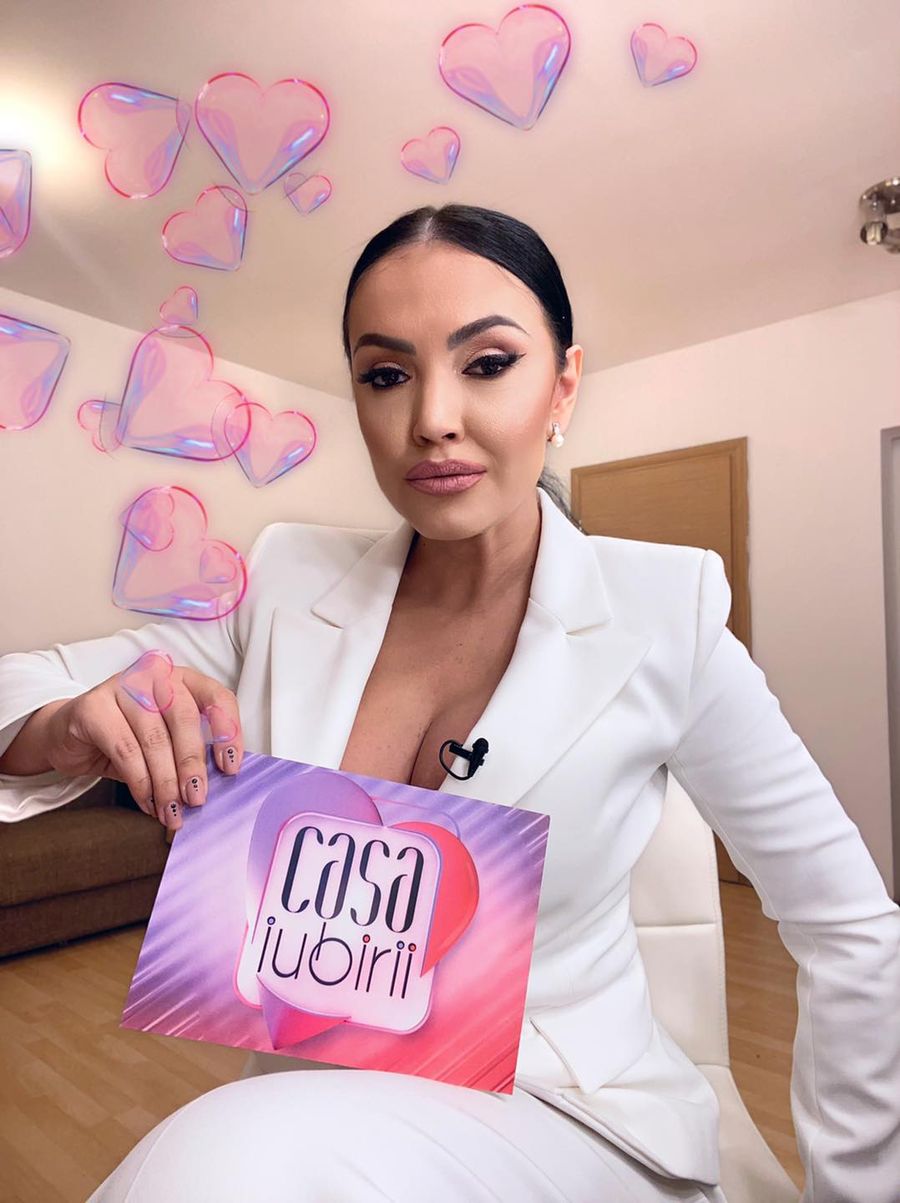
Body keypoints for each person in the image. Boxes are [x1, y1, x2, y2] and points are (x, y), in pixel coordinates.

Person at [1, 203, 897, 1203]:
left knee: (220, 1162)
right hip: (315, 1104)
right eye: (386, 375)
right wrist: (65, 723)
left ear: (563, 386)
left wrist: (858, 1193)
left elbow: (852, 927)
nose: (432, 416)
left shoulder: (665, 613)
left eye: (488, 363)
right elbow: (21, 681)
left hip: (561, 1112)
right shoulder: (286, 580)